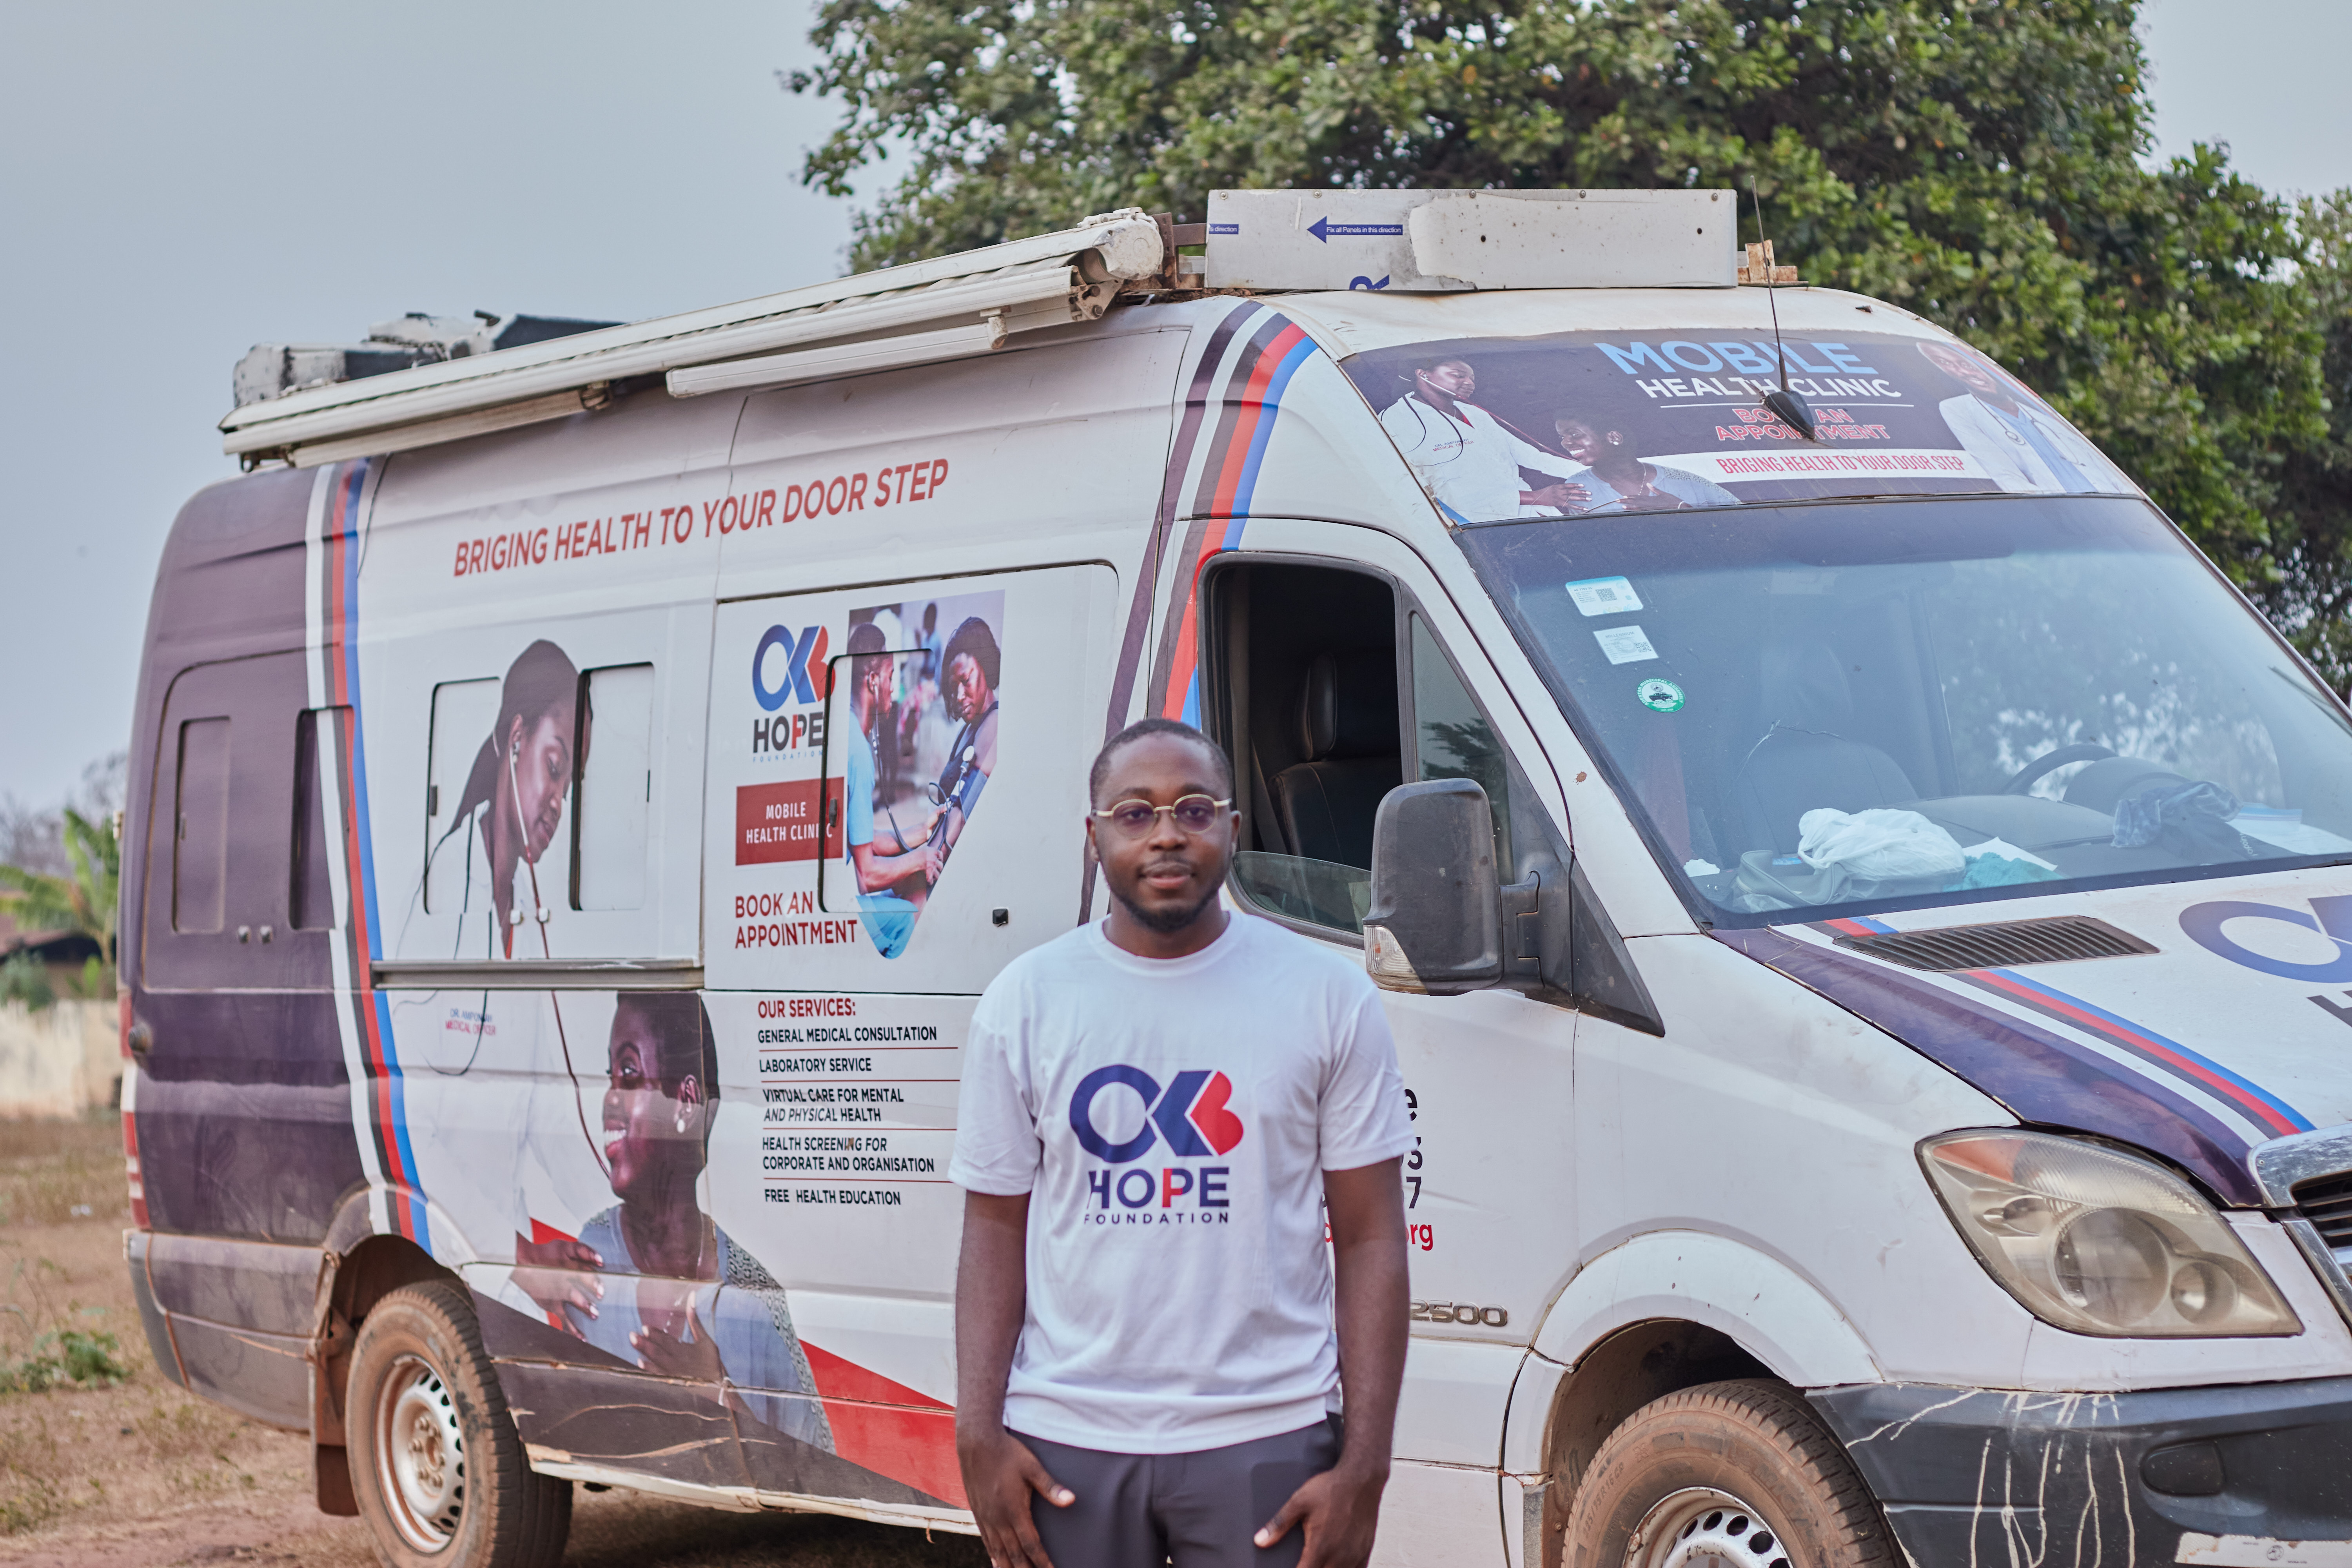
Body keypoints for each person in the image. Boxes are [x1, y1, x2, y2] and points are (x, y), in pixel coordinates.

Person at [950, 718, 1414, 1568]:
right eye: (1135, 812)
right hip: (1067, 1437)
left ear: (1233, 829)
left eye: (1194, 808)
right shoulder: (1026, 1001)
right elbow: (994, 1227)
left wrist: (1366, 1463)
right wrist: (978, 1431)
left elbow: (1373, 1234)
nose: (1167, 831)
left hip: (1267, 1432)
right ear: (1093, 839)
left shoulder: (1327, 995)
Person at [392, 641, 611, 1313]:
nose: (557, 804)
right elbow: (410, 1127)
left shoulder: (525, 917)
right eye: (554, 768)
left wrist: (620, 1233)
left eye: (568, 788)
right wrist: (518, 1262)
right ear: (515, 739)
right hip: (445, 1260)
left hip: (499, 1261)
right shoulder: (438, 901)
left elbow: (545, 1117)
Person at [557, 993, 834, 1452]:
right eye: (611, 1076)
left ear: (686, 1102)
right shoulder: (590, 1251)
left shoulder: (754, 1300)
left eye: (629, 1074)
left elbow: (822, 1469)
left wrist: (719, 1392)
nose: (609, 1098)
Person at [1377, 358, 1590, 524]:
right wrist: (1533, 497)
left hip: (1529, 514)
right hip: (1474, 526)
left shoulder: (1474, 413)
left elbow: (1531, 457)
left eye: (1472, 379)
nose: (1469, 384)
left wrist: (1595, 472)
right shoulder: (1395, 420)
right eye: (1459, 376)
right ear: (1424, 375)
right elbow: (1431, 490)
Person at [1917, 340, 2132, 495]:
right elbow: (2008, 480)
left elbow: (2111, 476)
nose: (1963, 372)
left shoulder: (2043, 415)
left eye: (1964, 363)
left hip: (2106, 509)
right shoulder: (1957, 409)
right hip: (2061, 517)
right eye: (1945, 365)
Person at [842, 620, 929, 958]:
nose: (894, 688)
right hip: (854, 902)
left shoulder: (848, 733)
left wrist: (924, 831)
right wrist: (921, 860)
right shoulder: (859, 753)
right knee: (922, 901)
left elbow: (864, 839)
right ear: (873, 679)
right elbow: (868, 874)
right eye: (892, 676)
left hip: (850, 891)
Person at [923, 615, 1001, 885]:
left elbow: (962, 812)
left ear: (987, 669)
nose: (958, 695)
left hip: (955, 876)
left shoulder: (994, 724)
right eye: (953, 686)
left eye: (966, 681)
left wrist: (923, 866)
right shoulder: (970, 729)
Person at [1552, 410, 1741, 512]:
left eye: (1574, 435)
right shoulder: (1578, 487)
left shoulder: (1687, 483)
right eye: (1562, 436)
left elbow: (1746, 526)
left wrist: (1682, 510)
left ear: (1614, 438)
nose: (1565, 442)